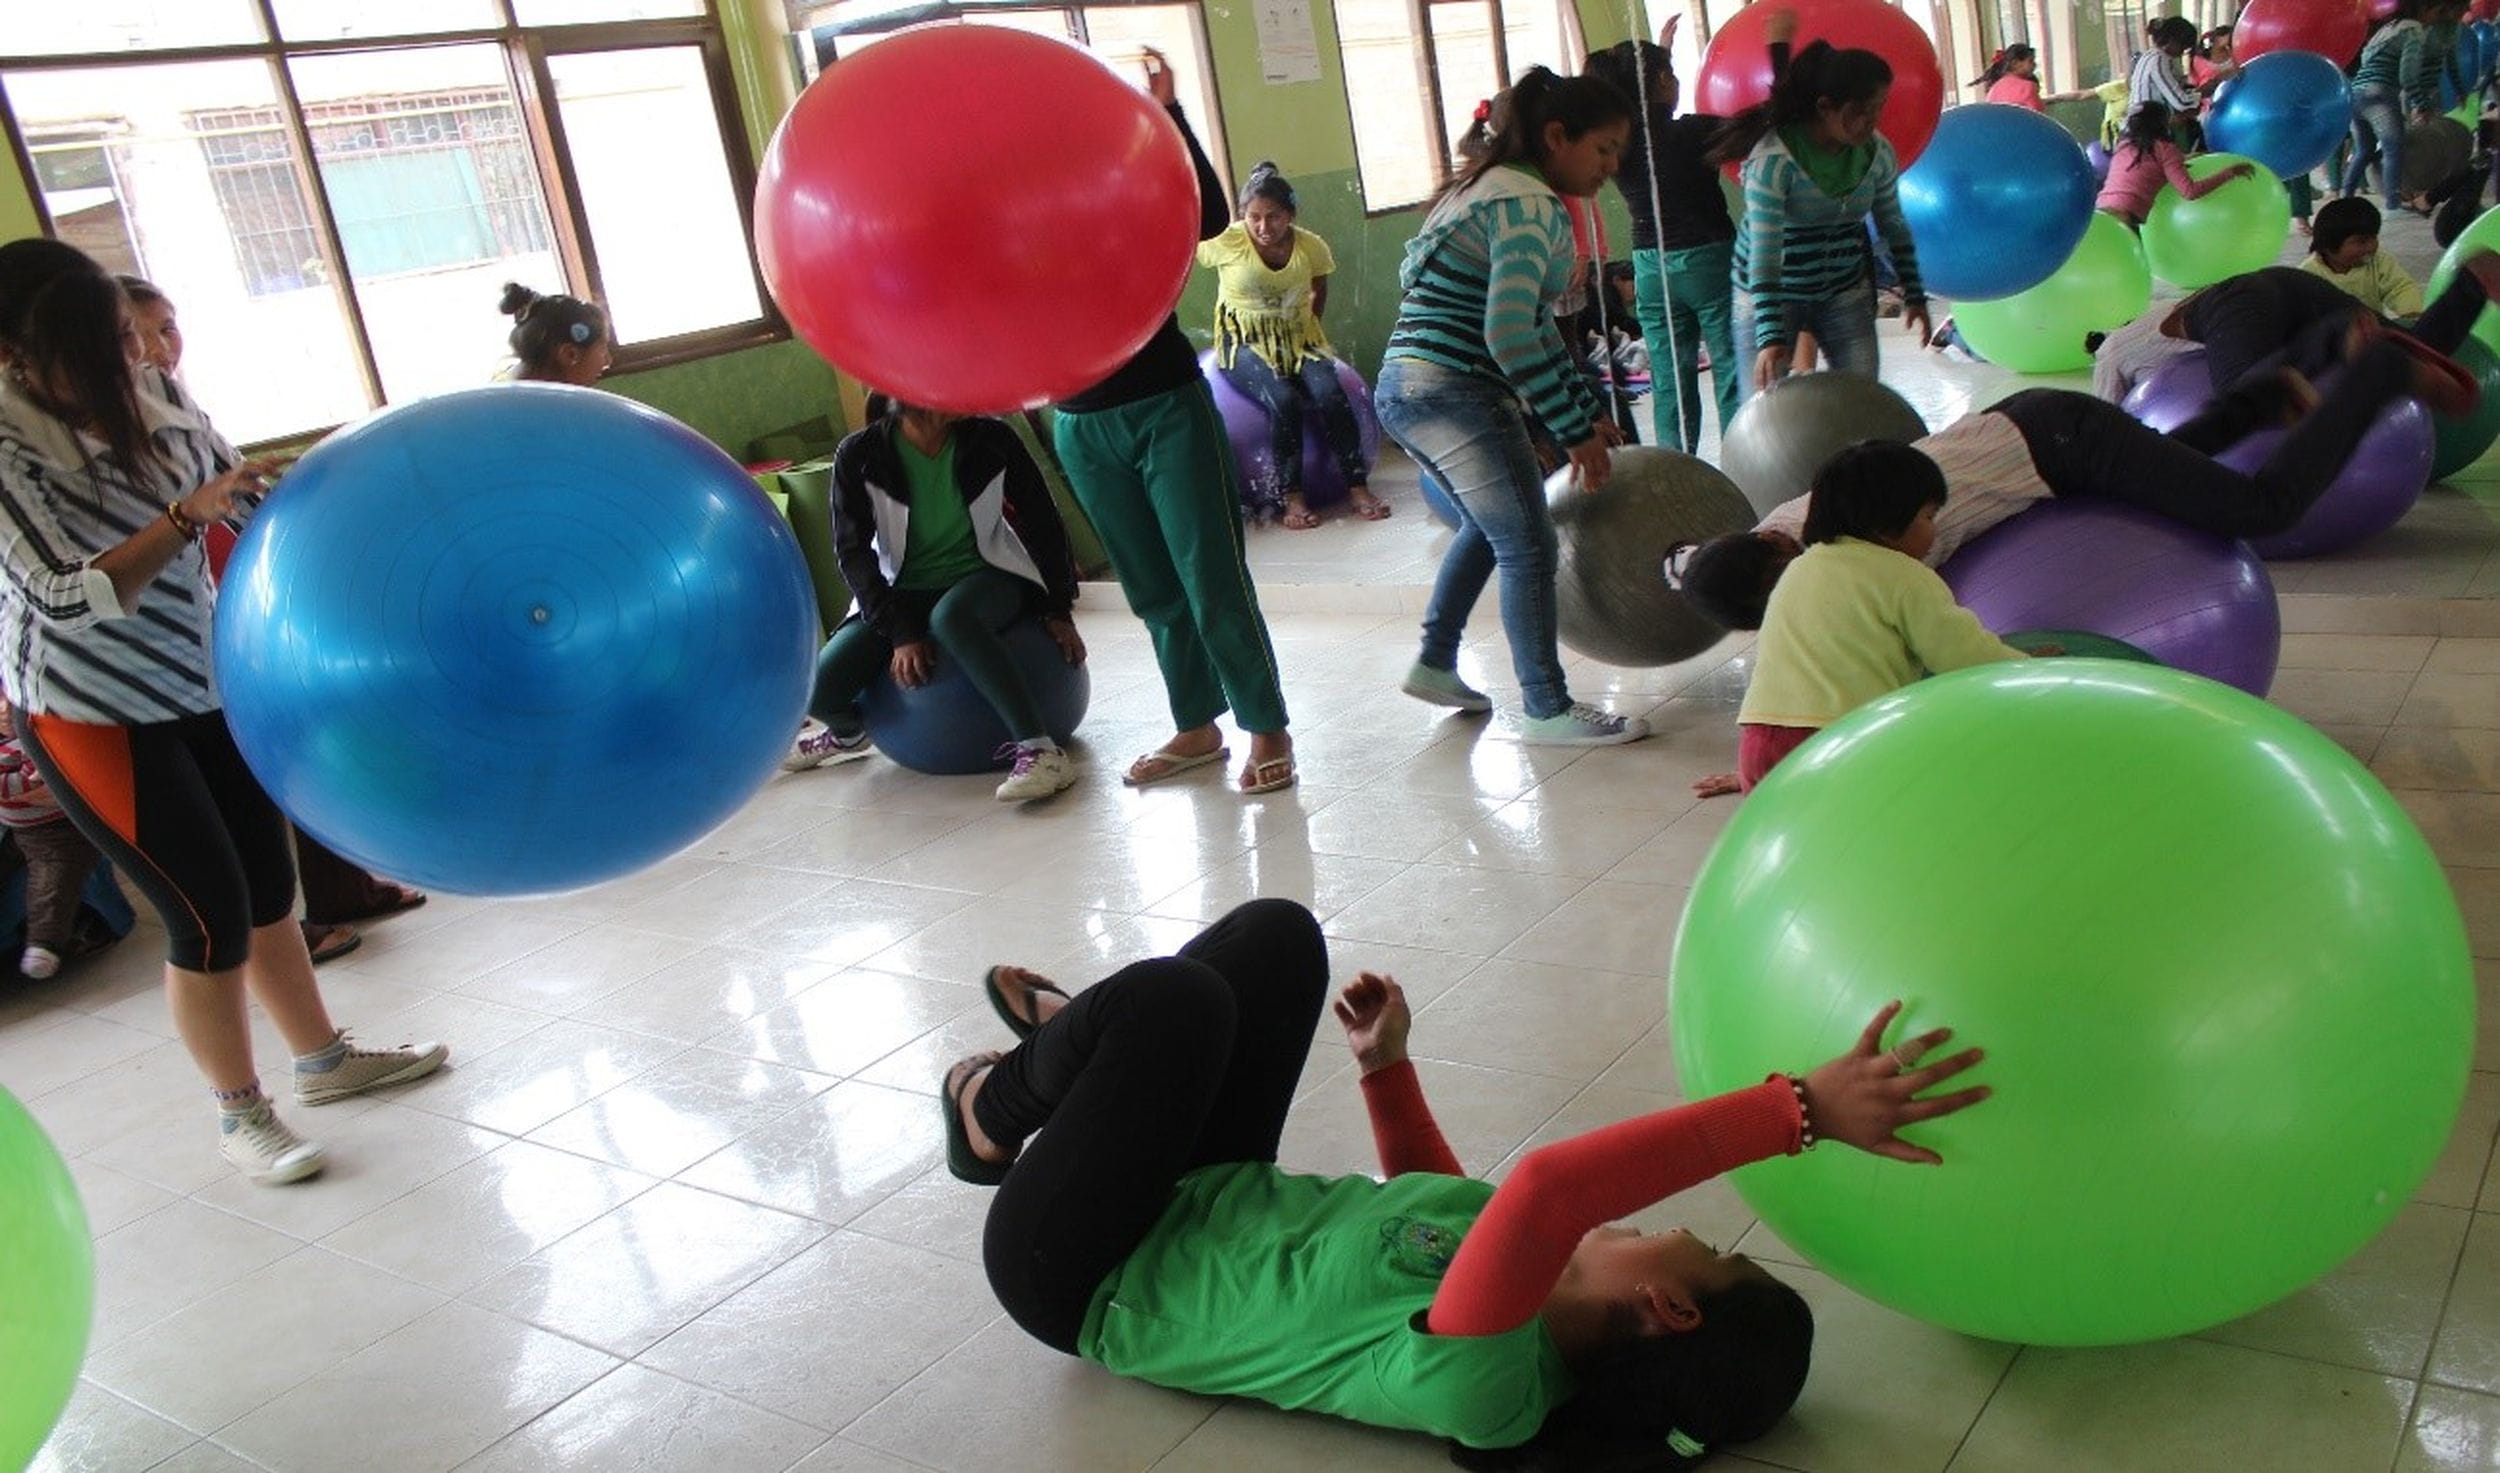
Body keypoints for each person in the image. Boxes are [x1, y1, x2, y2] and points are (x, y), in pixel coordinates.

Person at [946, 898, 1990, 1464]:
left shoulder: (1494, 1394)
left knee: (1171, 1005)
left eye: (1703, 1251)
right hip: (1202, 1188)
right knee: (1275, 938)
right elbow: (1435, 1208)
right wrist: (1385, 1068)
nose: (1679, 1229)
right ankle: (1084, 1064)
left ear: (1666, 1307)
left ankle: (994, 1117)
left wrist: (1795, 1109)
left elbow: (1547, 1191)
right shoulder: (1523, 1286)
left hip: (1083, 1272)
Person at [0, 239, 446, 1184]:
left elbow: (234, 504)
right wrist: (183, 517)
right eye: (103, 347)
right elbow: (63, 596)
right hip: (94, 713)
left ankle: (324, 1061)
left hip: (209, 681)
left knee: (264, 887)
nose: (134, 360)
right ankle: (240, 1115)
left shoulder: (160, 402)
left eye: (132, 336)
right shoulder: (6, 454)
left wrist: (316, 505)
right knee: (204, 917)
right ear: (19, 362)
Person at [1674, 330, 2479, 642]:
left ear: (1779, 548)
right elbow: (1689, 565)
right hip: (2032, 440)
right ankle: (2259, 401)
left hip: (2058, 442)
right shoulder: (1786, 538)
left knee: (2261, 507)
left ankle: (2372, 374)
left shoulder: (1840, 543)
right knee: (2151, 489)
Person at [119, 273, 425, 965]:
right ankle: (295, 922)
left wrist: (334, 519)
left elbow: (246, 499)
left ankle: (326, 909)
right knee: (220, 885)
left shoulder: (175, 407)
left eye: (168, 327)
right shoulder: (80, 439)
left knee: (306, 750)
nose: (160, 348)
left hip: (219, 630)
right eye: (137, 335)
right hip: (149, 665)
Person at [1378, 68, 1651, 746]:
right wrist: (1569, 428)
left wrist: (1585, 405)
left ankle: (1437, 662)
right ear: (1557, 137)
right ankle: (1546, 706)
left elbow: (1531, 326)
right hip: (1454, 387)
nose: (1612, 167)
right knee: (1529, 541)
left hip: (1407, 387)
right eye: (1604, 149)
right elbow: (1507, 334)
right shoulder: (1528, 204)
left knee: (1491, 524)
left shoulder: (1488, 187)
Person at [1052, 50, 1297, 796]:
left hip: (1163, 406)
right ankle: (1196, 725)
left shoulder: (1118, 188)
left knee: (1211, 577)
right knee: (1154, 588)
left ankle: (1267, 726)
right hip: (1078, 419)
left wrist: (1171, 114)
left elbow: (1210, 217)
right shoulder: (1004, 206)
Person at [784, 395, 1088, 803]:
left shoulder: (992, 438)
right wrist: (900, 632)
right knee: (815, 689)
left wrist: (1057, 606)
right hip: (901, 591)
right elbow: (852, 554)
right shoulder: (860, 454)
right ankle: (848, 734)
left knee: (953, 619)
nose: (963, 389)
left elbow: (1042, 520)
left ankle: (1041, 751)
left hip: (988, 574)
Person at [1711, 443, 2031, 793]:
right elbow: (1963, 655)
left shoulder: (1800, 569)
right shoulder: (1905, 576)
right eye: (1928, 517)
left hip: (1759, 743)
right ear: (1886, 523)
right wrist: (2029, 670)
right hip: (1845, 741)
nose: (1934, 531)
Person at [1586, 10, 1794, 452]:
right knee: (1730, 368)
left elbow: (1646, 106)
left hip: (1650, 268)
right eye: (1672, 74)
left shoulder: (1616, 144)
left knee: (1669, 379)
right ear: (1663, 83)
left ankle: (1674, 473)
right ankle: (1743, 460)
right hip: (1709, 260)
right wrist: (1779, 51)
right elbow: (1776, 114)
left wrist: (1661, 52)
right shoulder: (1694, 133)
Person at [1711, 41, 1932, 391]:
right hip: (1771, 291)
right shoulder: (1774, 159)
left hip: (1842, 287)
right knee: (1765, 409)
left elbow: (1893, 225)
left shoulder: (1877, 152)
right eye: (1860, 111)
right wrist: (1769, 336)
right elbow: (1764, 257)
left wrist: (1915, 294)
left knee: (1863, 396)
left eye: (1878, 109)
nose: (1869, 122)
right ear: (1825, 107)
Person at [1196, 162, 1389, 528]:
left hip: (1299, 342)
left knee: (1332, 395)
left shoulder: (1311, 246)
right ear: (1243, 216)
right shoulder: (1229, 241)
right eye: (1254, 217)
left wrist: (1305, 329)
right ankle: (1293, 497)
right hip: (1243, 345)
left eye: (1274, 217)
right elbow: (1193, 243)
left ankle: (1357, 486)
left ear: (1290, 215)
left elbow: (1320, 286)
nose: (1263, 227)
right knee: (1283, 400)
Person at [2092, 254, 2500, 404]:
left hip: (2244, 307)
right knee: (2413, 344)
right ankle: (2471, 282)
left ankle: (2343, 344)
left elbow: (2107, 424)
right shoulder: (2147, 316)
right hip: (2284, 286)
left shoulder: (2111, 354)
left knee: (2243, 399)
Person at [0, 699, 105, 979]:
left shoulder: (35, 739)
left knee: (53, 880)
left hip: (59, 830)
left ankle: (44, 943)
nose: (2, 709)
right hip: (16, 828)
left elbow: (31, 780)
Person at [2345, 0, 2472, 213]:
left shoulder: (2388, 28)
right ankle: (2394, 203)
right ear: (2426, 9)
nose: (2438, 17)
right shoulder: (2414, 31)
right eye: (2437, 10)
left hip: (2356, 93)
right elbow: (2408, 76)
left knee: (2364, 150)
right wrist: (2420, 103)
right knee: (2394, 147)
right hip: (2381, 94)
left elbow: (2366, 57)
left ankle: (2345, 197)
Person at [2095, 103, 2254, 228]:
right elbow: (2189, 191)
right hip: (2125, 216)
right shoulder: (2166, 149)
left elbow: (2146, 167)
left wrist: (2184, 159)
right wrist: (2230, 173)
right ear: (2161, 123)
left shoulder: (2123, 145)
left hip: (2101, 209)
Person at [2303, 197, 2429, 318]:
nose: (2371, 246)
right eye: (2361, 241)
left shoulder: (2379, 262)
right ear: (2328, 245)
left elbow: (2400, 287)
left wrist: (2413, 314)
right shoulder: (2307, 276)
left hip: (2375, 334)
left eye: (2374, 237)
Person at [2127, 17, 2231, 138]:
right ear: (2172, 40)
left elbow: (2174, 92)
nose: (2182, 52)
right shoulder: (2158, 60)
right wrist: (2208, 88)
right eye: (2183, 47)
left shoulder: (2152, 56)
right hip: (2143, 132)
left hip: (2146, 127)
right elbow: (2181, 102)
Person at [499, 281, 613, 385]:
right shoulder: (567, 405)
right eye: (603, 349)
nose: (607, 361)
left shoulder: (503, 397)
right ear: (570, 354)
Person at [1969, 44, 2093, 112]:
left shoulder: (1995, 88)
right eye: (2030, 61)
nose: (2034, 65)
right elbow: (2038, 117)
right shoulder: (2027, 87)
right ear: (2016, 63)